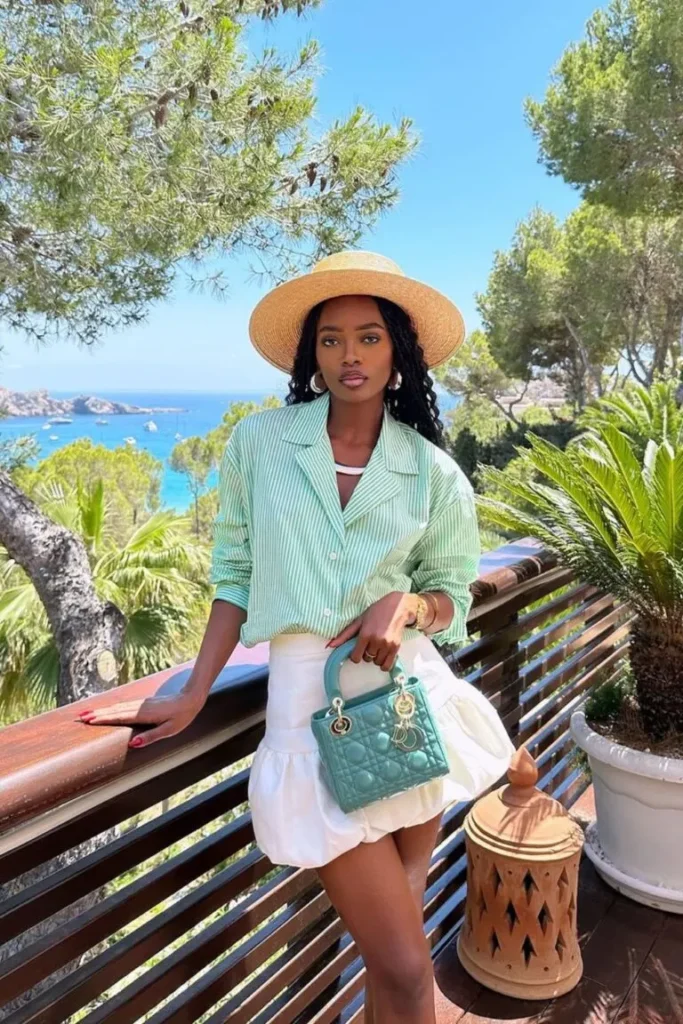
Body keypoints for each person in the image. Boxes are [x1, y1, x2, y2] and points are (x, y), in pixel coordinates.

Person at [78, 251, 514, 1024]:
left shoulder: (432, 471)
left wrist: (406, 605)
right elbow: (235, 578)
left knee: (397, 959)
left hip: (408, 705)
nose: (350, 355)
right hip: (305, 711)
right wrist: (193, 691)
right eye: (332, 339)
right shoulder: (261, 444)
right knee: (409, 967)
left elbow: (452, 592)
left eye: (369, 338)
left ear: (398, 352)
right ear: (311, 355)